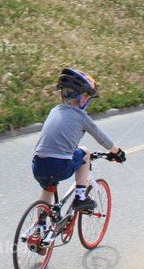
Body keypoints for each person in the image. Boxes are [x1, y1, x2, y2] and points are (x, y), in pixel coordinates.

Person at [31, 68, 125, 220]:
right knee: (85, 152)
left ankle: (39, 229)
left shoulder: (54, 110)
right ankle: (80, 197)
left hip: (38, 164)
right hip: (59, 165)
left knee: (47, 190)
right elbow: (102, 138)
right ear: (82, 97)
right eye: (88, 96)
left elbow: (57, 138)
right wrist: (117, 152)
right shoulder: (81, 116)